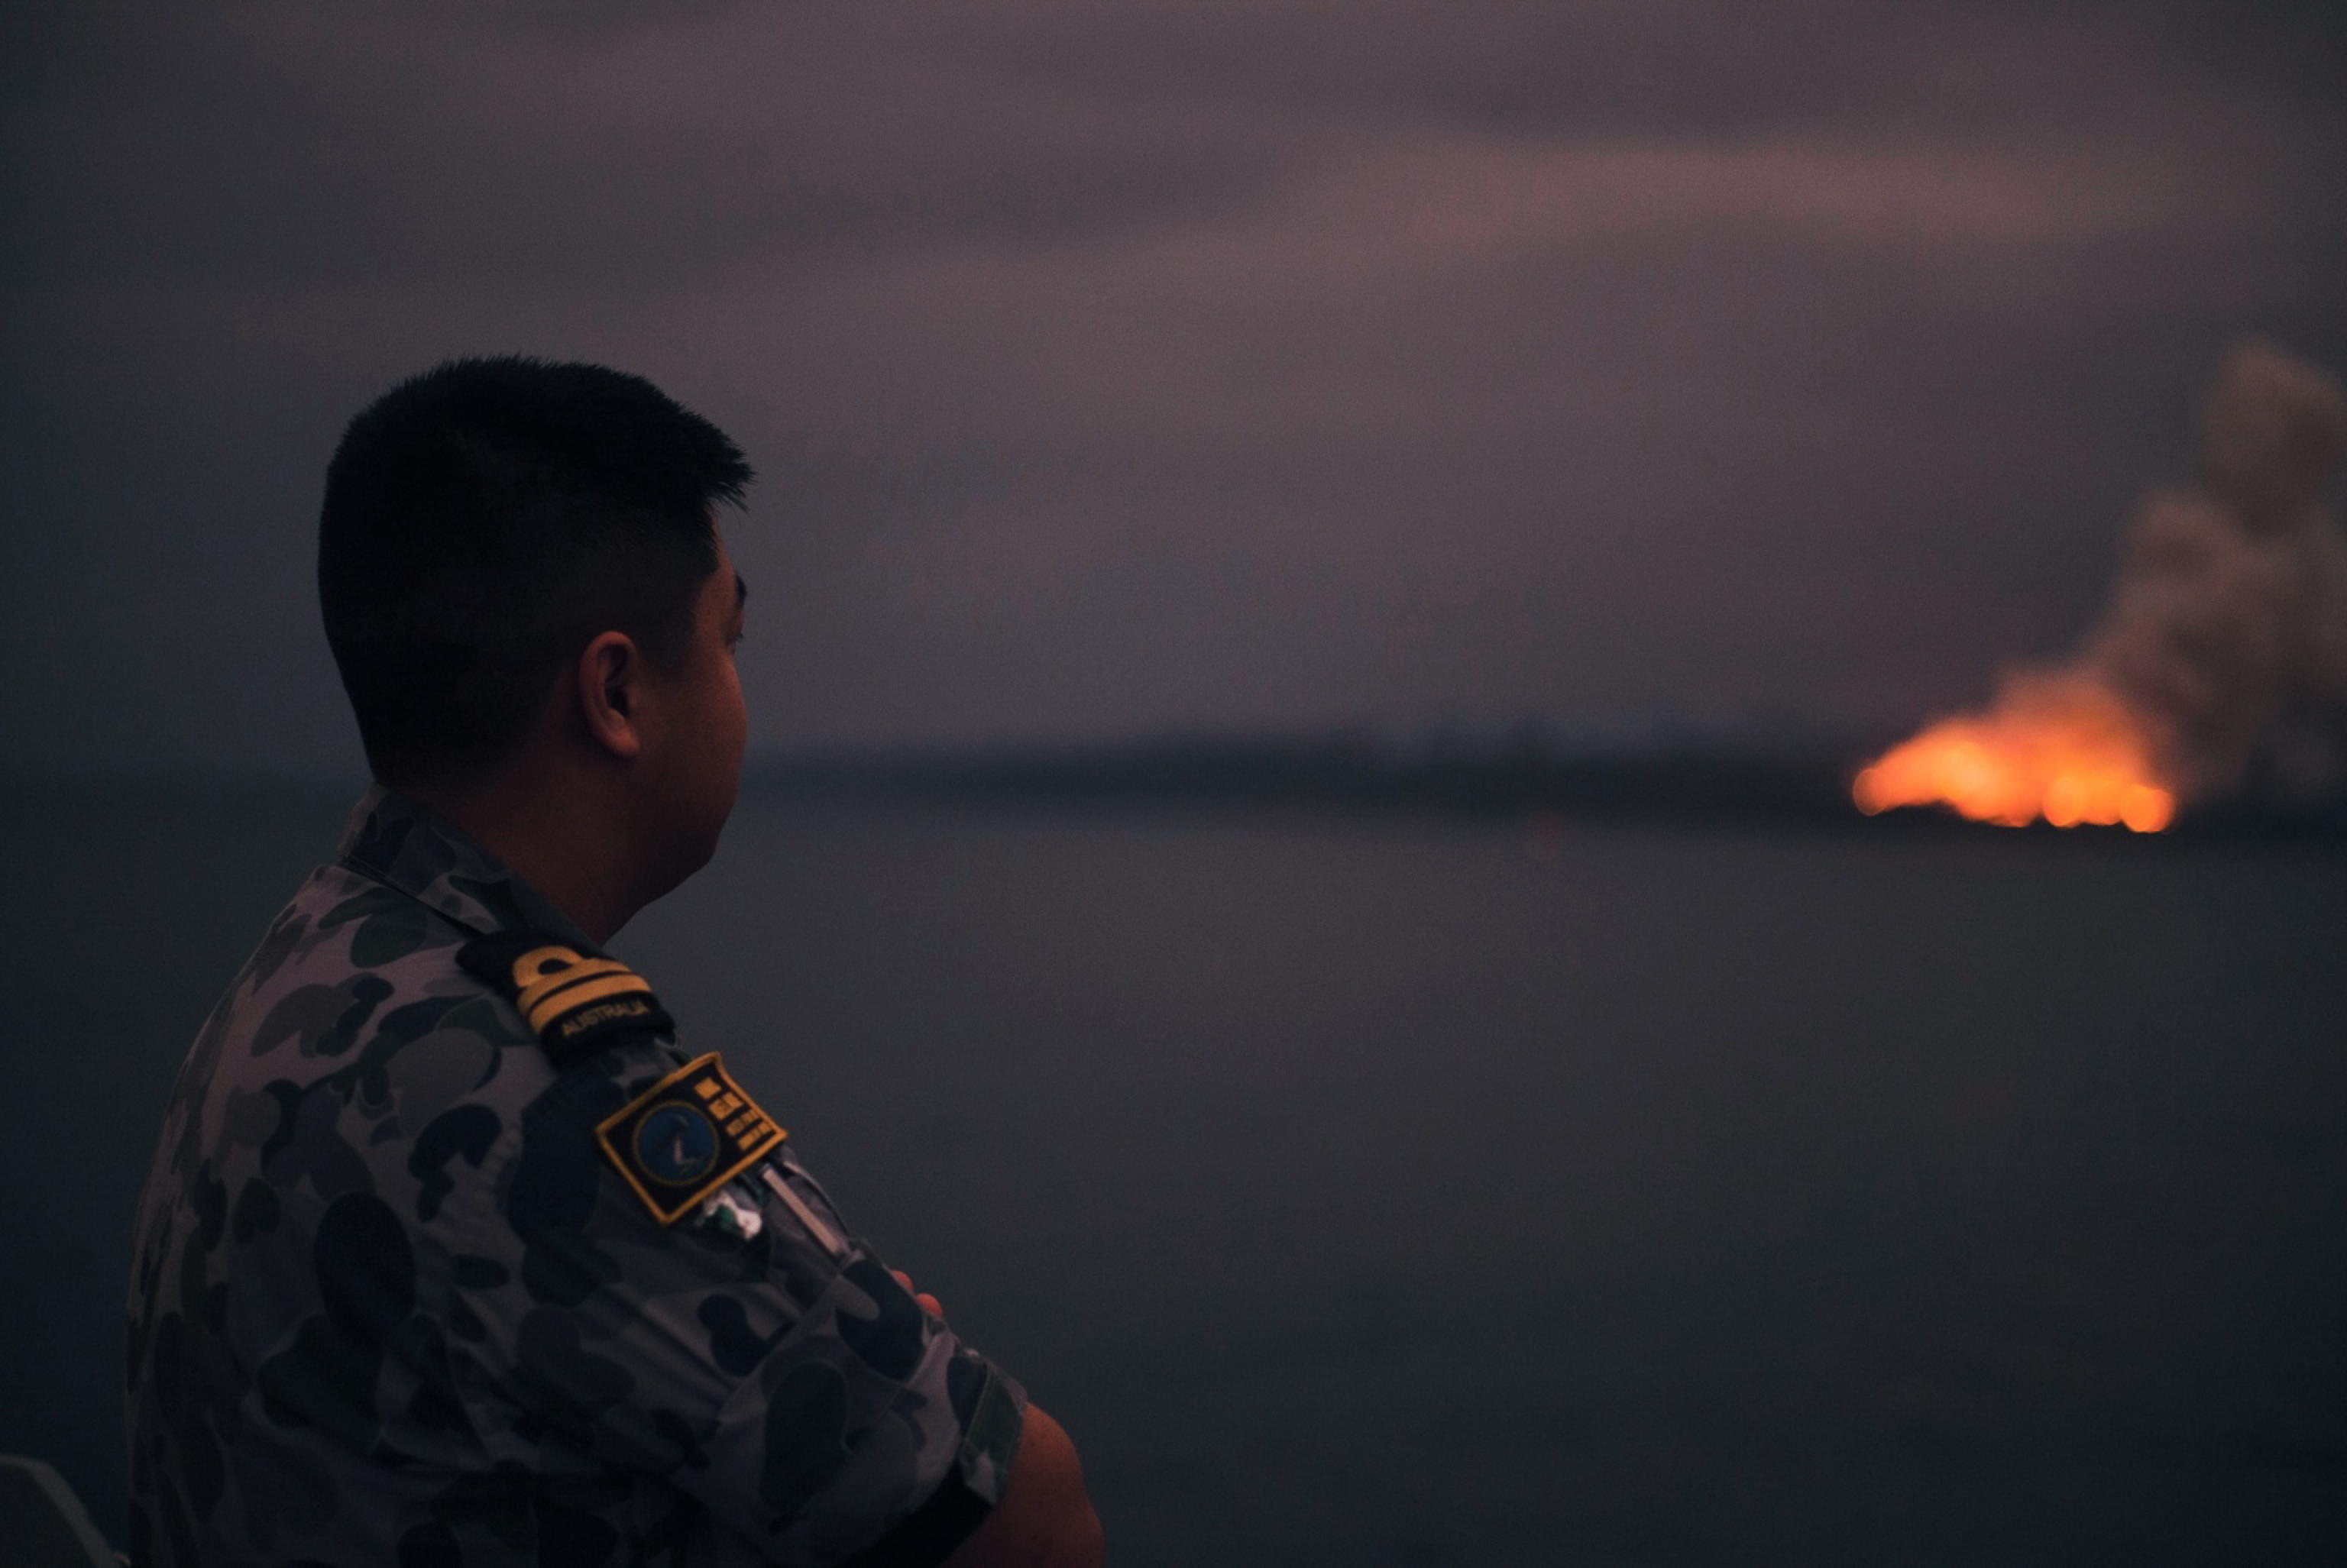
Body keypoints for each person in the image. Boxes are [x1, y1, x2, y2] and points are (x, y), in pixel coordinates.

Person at [123, 357, 1104, 1568]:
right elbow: (1038, 1527)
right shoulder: (551, 1103)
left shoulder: (302, 972)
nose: (744, 691)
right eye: (729, 639)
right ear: (620, 691)